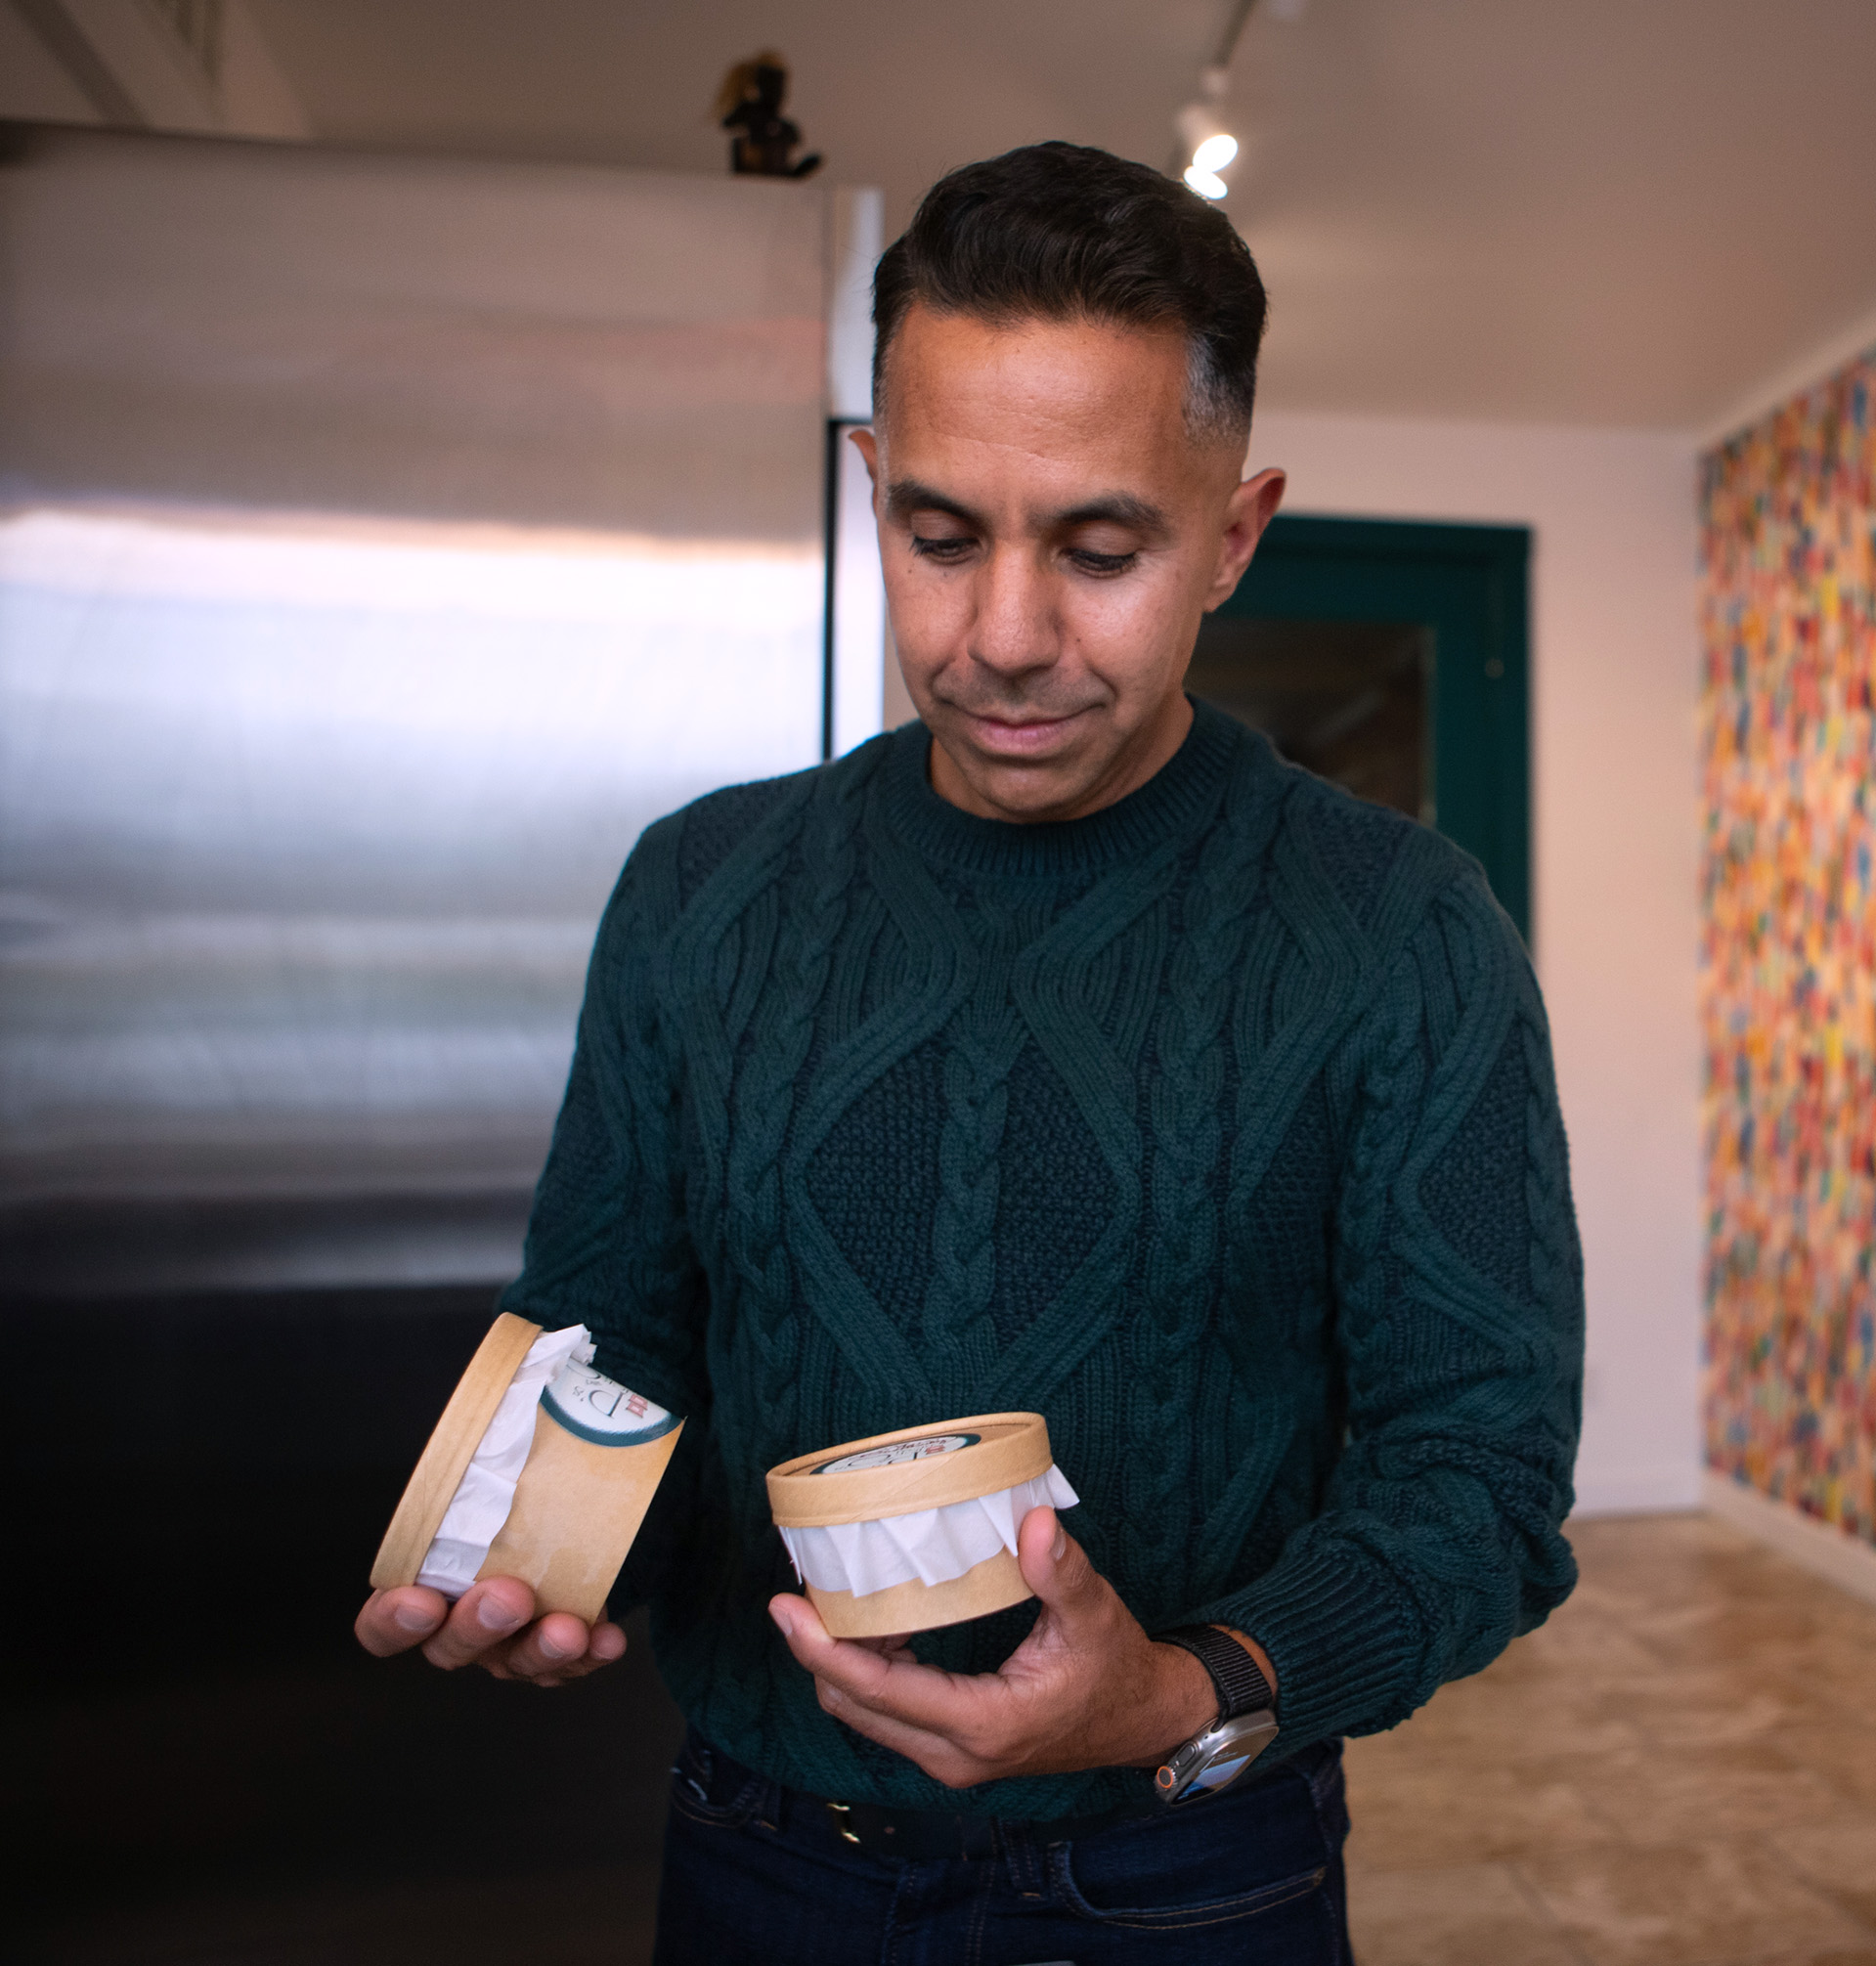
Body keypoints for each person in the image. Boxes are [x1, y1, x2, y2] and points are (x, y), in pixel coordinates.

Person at [354, 140, 1584, 1964]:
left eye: (1101, 549)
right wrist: (530, 1555)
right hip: (756, 1851)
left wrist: (1180, 1690)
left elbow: (1479, 1478)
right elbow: (612, 1332)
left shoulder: (1404, 934)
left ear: (1233, 536)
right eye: (941, 535)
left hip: (1184, 1874)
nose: (1005, 637)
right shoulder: (704, 889)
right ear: (870, 489)